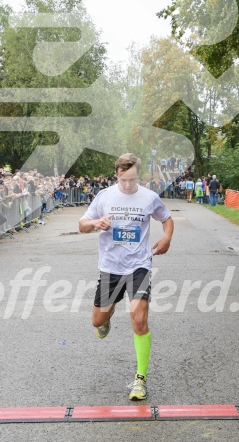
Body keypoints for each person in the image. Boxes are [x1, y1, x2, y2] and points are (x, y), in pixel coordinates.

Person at [79, 153, 174, 401]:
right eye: (124, 179)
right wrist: (97, 222)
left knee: (138, 317)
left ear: (138, 175)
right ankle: (107, 315)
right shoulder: (105, 196)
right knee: (97, 321)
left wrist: (167, 237)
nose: (128, 185)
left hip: (139, 265)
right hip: (111, 266)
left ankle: (140, 379)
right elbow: (81, 224)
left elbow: (167, 219)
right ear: (117, 174)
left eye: (132, 179)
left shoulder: (149, 198)